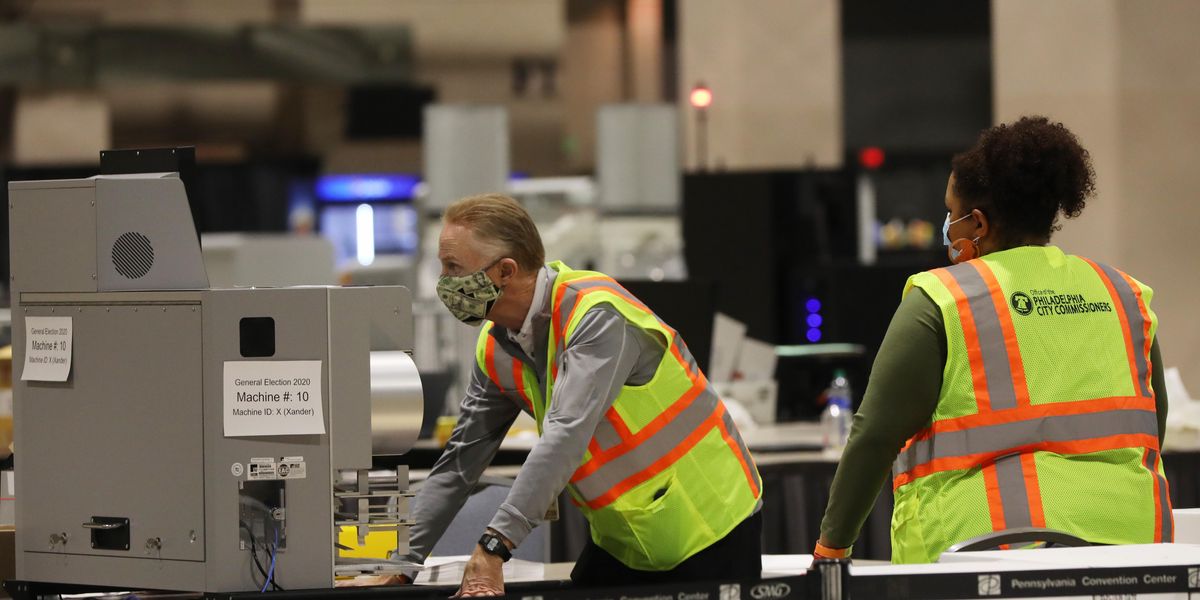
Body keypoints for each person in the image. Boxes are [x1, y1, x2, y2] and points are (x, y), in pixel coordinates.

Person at [815, 116, 1173, 564]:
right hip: (1128, 554)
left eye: (951, 212)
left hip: (981, 557)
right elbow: (1150, 427)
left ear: (978, 224)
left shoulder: (942, 300)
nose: (947, 225)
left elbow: (874, 437)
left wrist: (831, 549)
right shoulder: (1124, 295)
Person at [407, 194, 763, 595]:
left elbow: (564, 437)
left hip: (710, 524)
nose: (443, 282)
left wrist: (493, 547)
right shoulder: (496, 347)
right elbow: (459, 464)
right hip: (627, 537)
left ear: (505, 270)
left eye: (453, 267)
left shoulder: (596, 317)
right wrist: (400, 563)